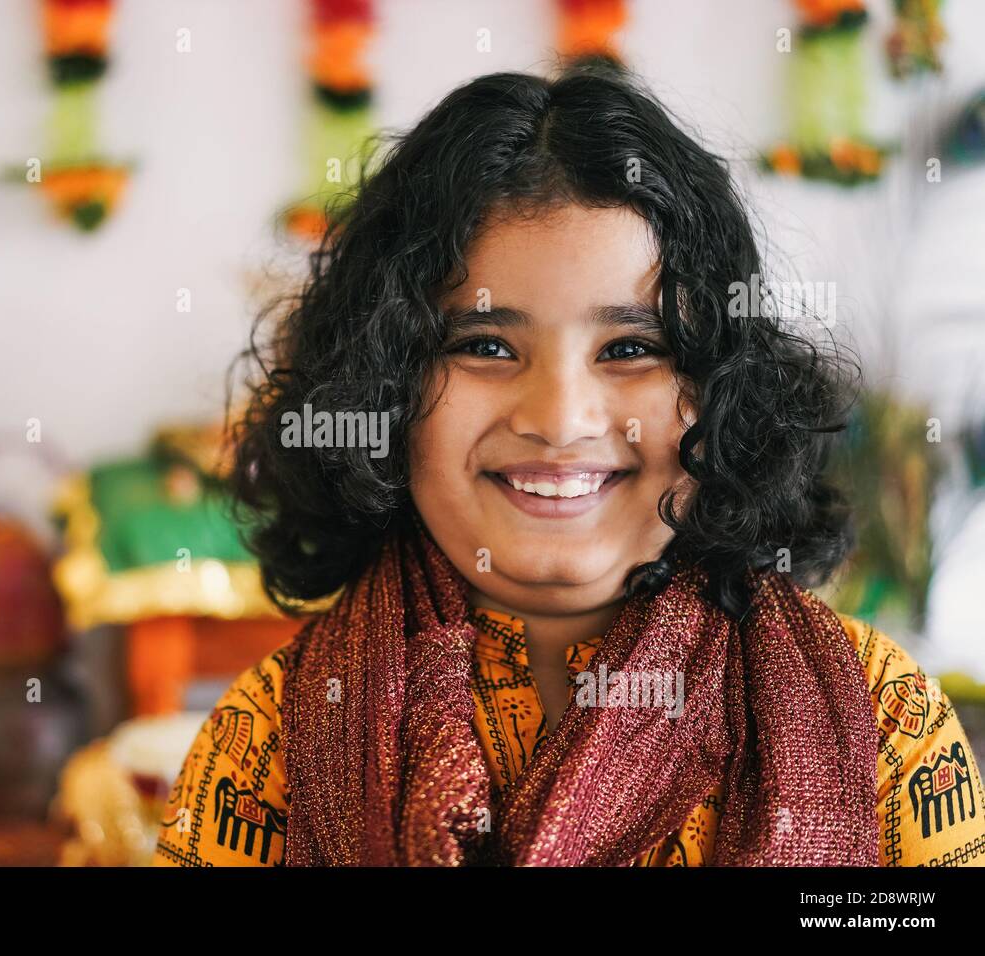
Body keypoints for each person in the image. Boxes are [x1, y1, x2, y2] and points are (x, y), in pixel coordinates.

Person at [152, 63, 985, 867]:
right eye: (484, 346)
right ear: (384, 389)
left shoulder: (885, 724)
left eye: (631, 348)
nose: (559, 420)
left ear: (721, 389)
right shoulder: (271, 739)